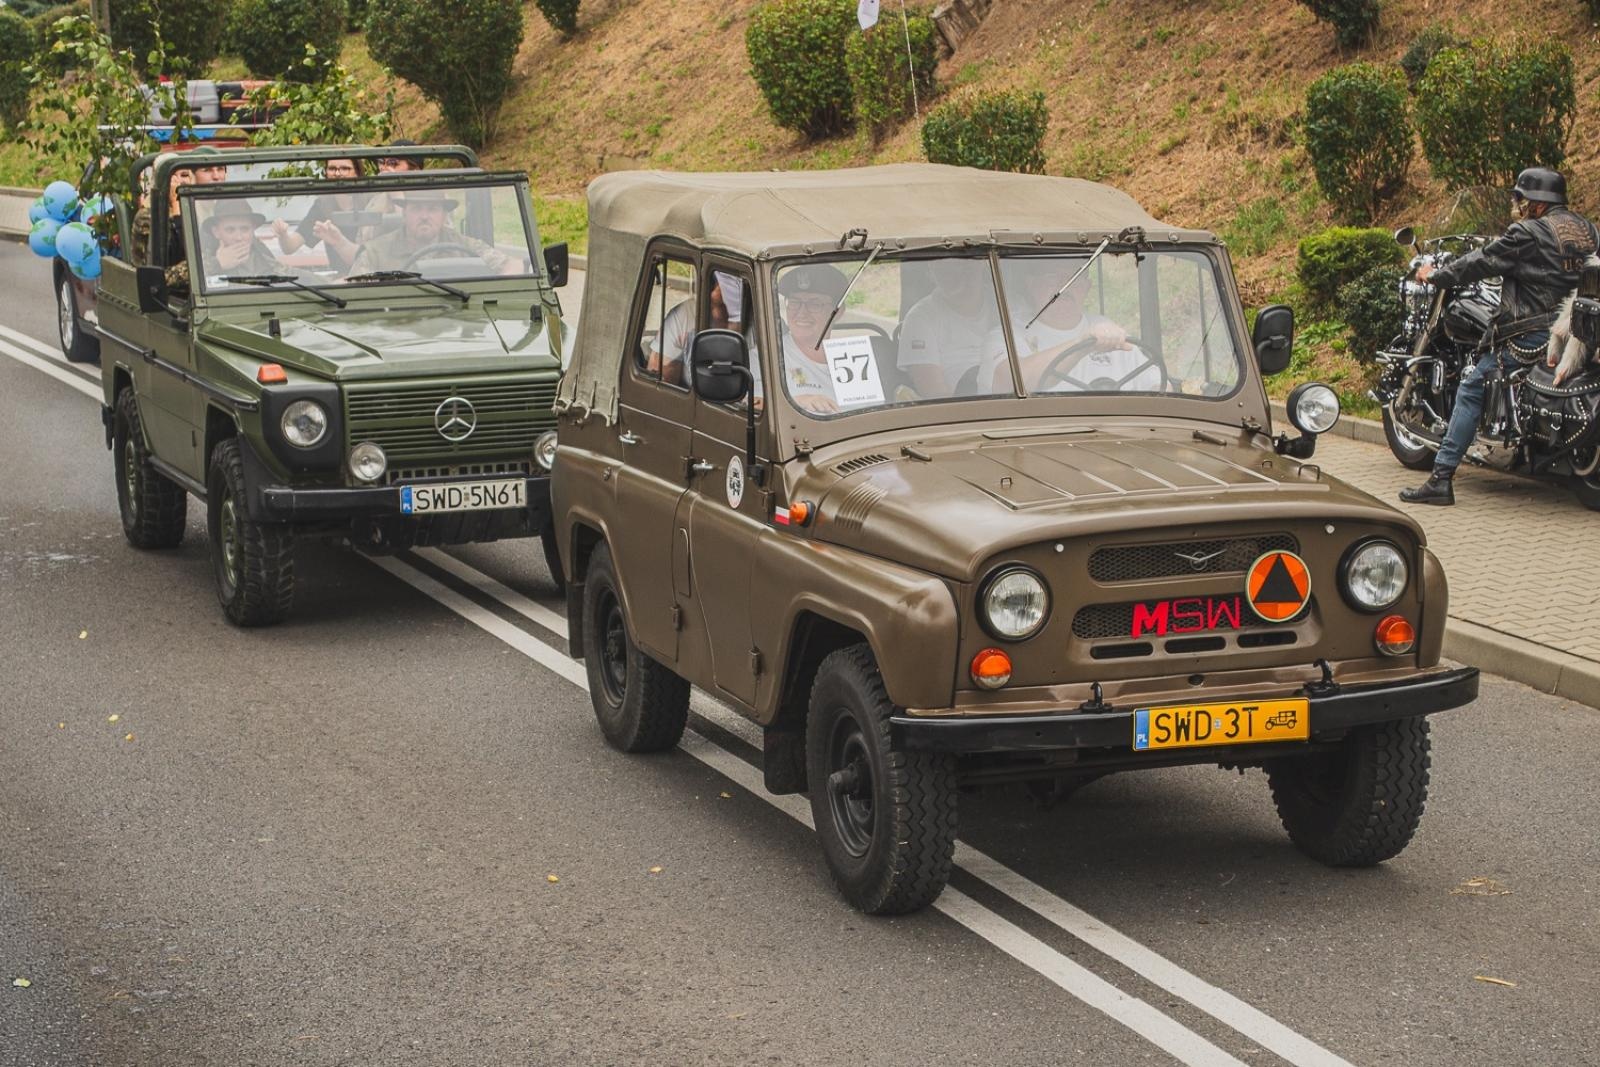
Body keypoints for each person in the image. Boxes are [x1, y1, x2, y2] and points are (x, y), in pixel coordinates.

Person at [1401, 167, 1599, 506]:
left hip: (1532, 334)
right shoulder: (1587, 229)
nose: (1518, 206)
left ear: (1535, 203)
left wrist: (1437, 276)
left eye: (1520, 199)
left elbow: (1481, 261)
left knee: (1471, 388)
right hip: (1579, 331)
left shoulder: (1528, 232)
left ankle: (1440, 479)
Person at [983, 257, 1156, 394]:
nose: (1063, 286)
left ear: (1086, 287)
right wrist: (1081, 344)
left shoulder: (1109, 330)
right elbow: (1009, 383)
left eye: (1074, 277)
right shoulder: (1007, 336)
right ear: (1030, 285)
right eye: (1052, 277)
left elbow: (1159, 388)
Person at [346, 190, 522, 277]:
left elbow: (512, 266)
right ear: (404, 214)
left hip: (456, 323)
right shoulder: (376, 252)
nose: (424, 216)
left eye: (432, 209)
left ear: (444, 215)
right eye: (416, 209)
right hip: (398, 327)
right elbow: (353, 289)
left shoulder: (465, 245)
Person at [898, 258, 1000, 397]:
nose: (959, 273)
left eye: (966, 264)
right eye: (947, 267)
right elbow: (935, 397)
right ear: (932, 271)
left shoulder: (1008, 304)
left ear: (982, 263)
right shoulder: (920, 319)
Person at [777, 264, 851, 414]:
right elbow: (752, 402)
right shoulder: (769, 354)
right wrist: (800, 400)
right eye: (795, 302)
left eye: (814, 304)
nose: (801, 313)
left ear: (838, 312)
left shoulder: (851, 354)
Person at [271, 157, 367, 271]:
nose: (337, 173)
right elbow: (290, 247)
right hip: (340, 278)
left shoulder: (371, 200)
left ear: (357, 172)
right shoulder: (323, 205)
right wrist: (282, 234)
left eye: (345, 168)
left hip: (373, 274)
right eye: (332, 168)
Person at [649, 271, 743, 384]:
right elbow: (661, 378)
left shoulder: (761, 326)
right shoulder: (684, 316)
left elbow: (759, 397)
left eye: (725, 306)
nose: (718, 314)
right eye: (714, 305)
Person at [202, 200, 284, 279]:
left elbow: (293, 279)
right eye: (230, 230)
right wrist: (217, 264)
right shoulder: (202, 261)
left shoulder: (267, 262)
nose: (239, 237)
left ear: (253, 229)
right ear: (216, 232)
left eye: (245, 229)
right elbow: (192, 281)